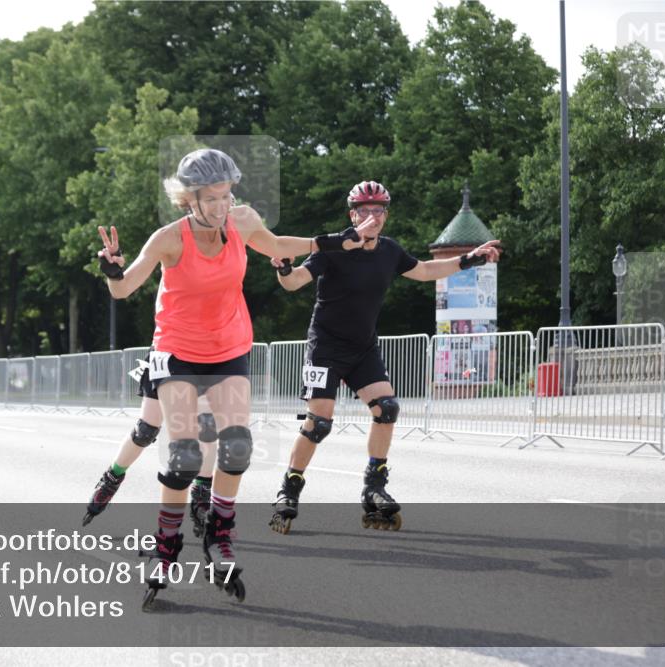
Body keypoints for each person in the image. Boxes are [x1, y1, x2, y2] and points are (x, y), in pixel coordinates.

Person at [96, 148, 376, 607]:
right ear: (189, 199)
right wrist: (110, 268)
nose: (223, 206)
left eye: (228, 196)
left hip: (228, 346)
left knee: (238, 444)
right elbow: (124, 286)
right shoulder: (168, 239)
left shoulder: (241, 221)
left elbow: (280, 245)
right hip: (178, 350)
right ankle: (166, 545)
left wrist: (335, 240)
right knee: (186, 454)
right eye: (212, 199)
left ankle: (219, 537)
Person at [269, 180, 501, 533]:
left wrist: (470, 260)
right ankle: (289, 489)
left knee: (387, 408)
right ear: (353, 215)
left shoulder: (390, 251)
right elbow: (295, 280)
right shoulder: (335, 246)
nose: (372, 217)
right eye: (365, 211)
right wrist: (284, 269)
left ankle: (373, 487)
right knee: (319, 423)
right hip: (326, 348)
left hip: (363, 348)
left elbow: (425, 271)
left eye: (379, 211)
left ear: (385, 216)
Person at [83, 360, 219, 539]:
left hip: (209, 353)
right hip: (168, 353)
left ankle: (201, 493)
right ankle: (111, 479)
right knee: (145, 430)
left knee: (207, 426)